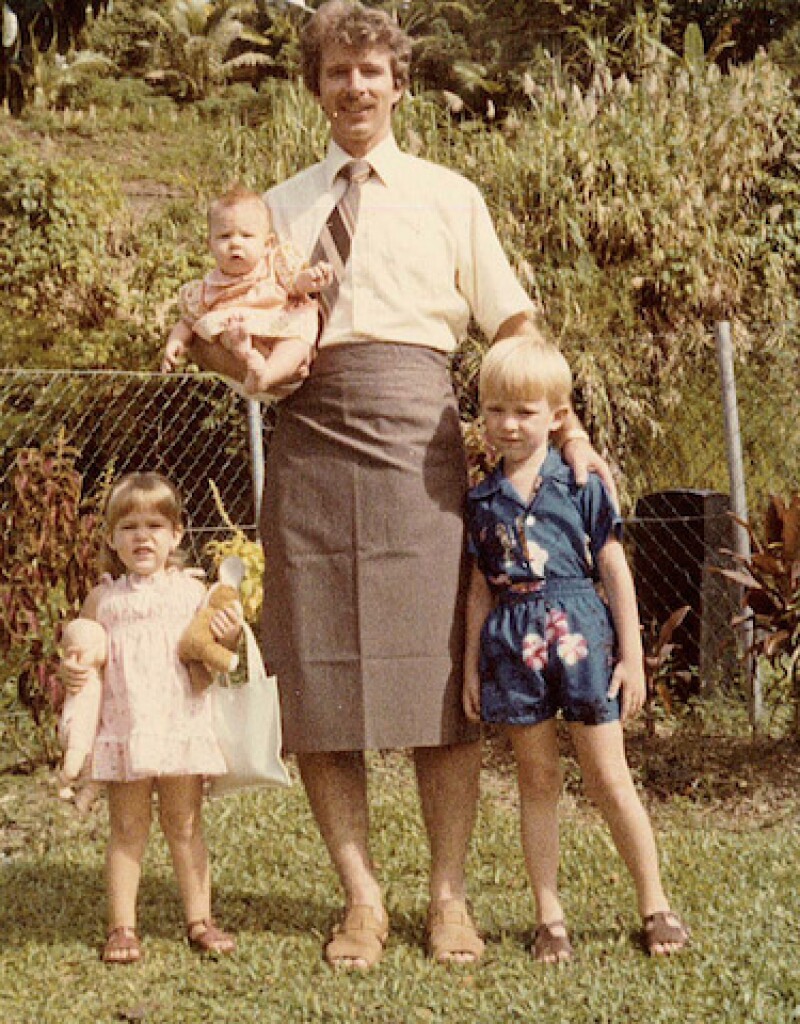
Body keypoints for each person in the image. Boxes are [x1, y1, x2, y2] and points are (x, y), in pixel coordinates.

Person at [191, 0, 607, 971]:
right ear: (316, 87)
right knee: (318, 678)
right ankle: (362, 900)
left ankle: (448, 899)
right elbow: (227, 335)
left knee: (438, 682)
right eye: (336, 72)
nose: (354, 87)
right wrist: (232, 362)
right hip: (305, 441)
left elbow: (510, 323)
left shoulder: (448, 195)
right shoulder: (278, 206)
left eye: (370, 70)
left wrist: (571, 427)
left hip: (419, 444)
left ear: (398, 82)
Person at [463, 336, 690, 961]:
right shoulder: (480, 501)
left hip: (584, 641)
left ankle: (655, 904)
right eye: (494, 410)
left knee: (609, 776)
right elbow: (481, 588)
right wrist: (470, 669)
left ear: (557, 417)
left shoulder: (583, 483)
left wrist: (631, 653)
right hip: (514, 650)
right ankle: (549, 917)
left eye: (525, 411)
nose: (508, 424)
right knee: (536, 780)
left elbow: (615, 570)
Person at [60, 472, 242, 964]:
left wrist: (227, 634)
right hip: (127, 730)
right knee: (128, 827)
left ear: (178, 535)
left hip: (179, 724)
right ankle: (123, 926)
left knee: (184, 824)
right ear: (112, 538)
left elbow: (213, 647)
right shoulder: (105, 598)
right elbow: (82, 651)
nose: (143, 537)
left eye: (155, 526)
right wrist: (72, 669)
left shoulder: (191, 591)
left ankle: (200, 918)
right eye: (130, 526)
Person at [161, 184, 333, 397]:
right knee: (212, 326)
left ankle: (266, 375)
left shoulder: (275, 266)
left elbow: (296, 284)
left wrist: (311, 279)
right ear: (210, 245)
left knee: (298, 337)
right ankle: (245, 354)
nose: (235, 244)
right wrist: (176, 342)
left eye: (246, 236)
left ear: (268, 243)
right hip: (237, 334)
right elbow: (187, 321)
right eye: (224, 236)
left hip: (278, 324)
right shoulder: (206, 288)